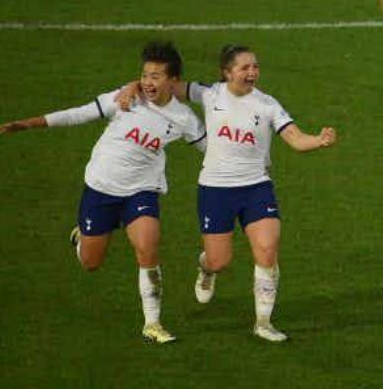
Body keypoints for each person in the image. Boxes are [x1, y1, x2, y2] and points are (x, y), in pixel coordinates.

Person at [117, 44, 336, 342]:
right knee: (219, 260)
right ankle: (206, 268)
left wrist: (318, 140)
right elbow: (164, 86)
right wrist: (132, 86)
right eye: (245, 67)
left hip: (256, 187)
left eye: (255, 67)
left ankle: (263, 323)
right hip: (216, 190)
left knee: (268, 251)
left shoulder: (268, 104)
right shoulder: (209, 93)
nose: (252, 72)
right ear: (227, 72)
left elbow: (295, 139)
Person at [0, 41, 206, 344]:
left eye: (156, 76)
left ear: (173, 81)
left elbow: (209, 148)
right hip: (101, 189)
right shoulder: (124, 98)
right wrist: (29, 124)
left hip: (141, 191)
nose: (148, 82)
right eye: (144, 75)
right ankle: (81, 236)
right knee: (91, 263)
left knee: (148, 247)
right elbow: (79, 114)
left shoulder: (184, 118)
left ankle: (152, 323)